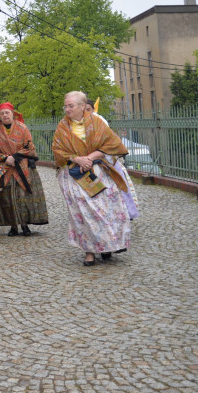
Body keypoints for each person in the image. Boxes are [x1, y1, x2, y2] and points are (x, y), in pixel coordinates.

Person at [52, 91, 132, 266]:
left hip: (97, 171)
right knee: (82, 213)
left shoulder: (97, 123)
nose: (67, 109)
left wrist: (89, 158)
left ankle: (107, 244)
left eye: (70, 106)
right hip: (74, 174)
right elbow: (57, 151)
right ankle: (89, 251)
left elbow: (112, 144)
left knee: (103, 210)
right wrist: (77, 158)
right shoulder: (62, 127)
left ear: (82, 107)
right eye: (65, 106)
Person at [0, 102, 48, 236]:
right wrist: (5, 158)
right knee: (8, 197)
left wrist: (15, 157)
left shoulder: (22, 128)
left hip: (22, 166)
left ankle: (25, 225)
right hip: (5, 168)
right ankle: (13, 226)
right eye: (2, 113)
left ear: (12, 113)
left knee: (23, 196)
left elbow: (29, 146)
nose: (5, 115)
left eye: (7, 113)